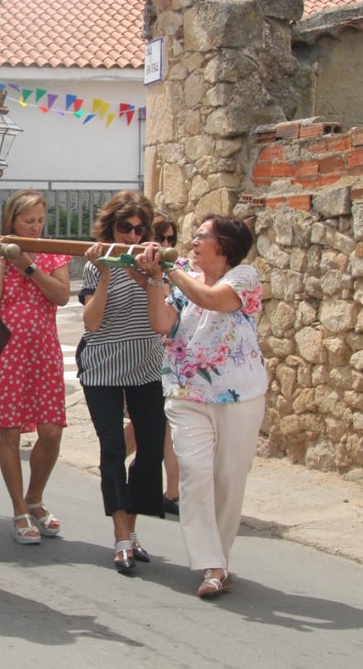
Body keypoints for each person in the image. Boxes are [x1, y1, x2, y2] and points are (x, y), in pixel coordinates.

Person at [139, 214, 266, 598]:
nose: (192, 242)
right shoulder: (181, 276)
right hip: (186, 393)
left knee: (228, 477)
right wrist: (154, 279)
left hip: (239, 395)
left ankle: (220, 559)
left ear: (223, 245)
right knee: (194, 474)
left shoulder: (244, 276)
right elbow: (162, 323)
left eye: (201, 236)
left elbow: (212, 299)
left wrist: (171, 272)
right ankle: (211, 563)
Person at [77, 191, 166, 574]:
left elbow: (162, 314)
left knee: (150, 450)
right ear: (110, 227)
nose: (131, 236)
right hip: (103, 369)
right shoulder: (96, 266)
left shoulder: (155, 266)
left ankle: (132, 529)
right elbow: (92, 322)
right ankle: (120, 536)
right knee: (112, 448)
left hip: (145, 365)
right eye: (123, 227)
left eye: (139, 228)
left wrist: (147, 276)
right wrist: (109, 273)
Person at [0, 189, 70, 544]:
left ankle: (35, 496)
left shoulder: (52, 252)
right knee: (11, 433)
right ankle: (19, 507)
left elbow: (61, 295)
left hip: (43, 350)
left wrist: (28, 265)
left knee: (51, 431)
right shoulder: (2, 250)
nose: (34, 227)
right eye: (28, 220)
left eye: (39, 220)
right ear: (12, 220)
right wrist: (1, 260)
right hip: (8, 352)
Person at [145, 210, 182, 515]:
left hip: (170, 357)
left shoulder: (178, 270)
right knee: (148, 425)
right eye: (161, 237)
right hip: (143, 356)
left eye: (171, 238)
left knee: (168, 425)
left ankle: (172, 491)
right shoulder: (139, 267)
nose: (166, 243)